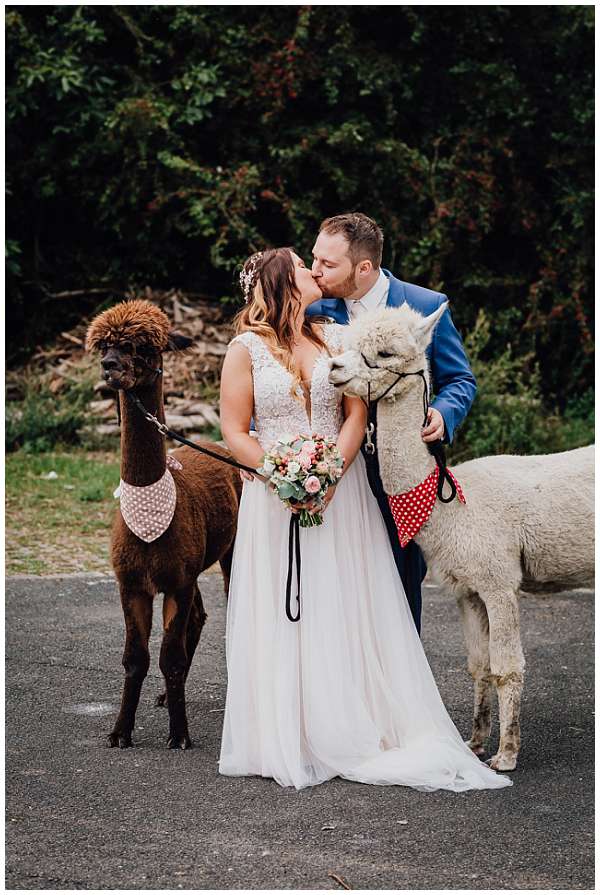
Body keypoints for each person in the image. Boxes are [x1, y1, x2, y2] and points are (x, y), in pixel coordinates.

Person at [216, 247, 509, 792]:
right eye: (305, 268)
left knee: (347, 601)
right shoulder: (244, 349)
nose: (315, 273)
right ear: (284, 282)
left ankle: (353, 720)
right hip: (274, 497)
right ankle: (290, 730)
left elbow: (355, 412)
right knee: (285, 609)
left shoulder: (335, 336)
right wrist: (283, 476)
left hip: (342, 492)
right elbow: (235, 429)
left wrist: (329, 473)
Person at [306, 212, 476, 632]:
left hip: (403, 472)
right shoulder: (315, 308)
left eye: (328, 264)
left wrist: (443, 412)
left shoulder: (426, 306)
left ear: (364, 268)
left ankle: (401, 684)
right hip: (336, 472)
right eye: (315, 258)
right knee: (339, 583)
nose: (315, 271)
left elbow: (459, 380)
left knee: (402, 583)